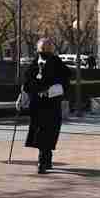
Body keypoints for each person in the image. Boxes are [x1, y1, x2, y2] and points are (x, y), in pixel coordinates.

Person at [18, 38, 71, 174]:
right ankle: (45, 160)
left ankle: (43, 161)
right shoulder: (33, 64)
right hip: (37, 105)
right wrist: (21, 97)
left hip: (52, 105)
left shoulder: (58, 64)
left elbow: (65, 83)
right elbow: (26, 83)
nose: (44, 51)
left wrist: (49, 91)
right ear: (37, 50)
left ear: (52, 50)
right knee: (39, 132)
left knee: (49, 132)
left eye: (47, 49)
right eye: (42, 49)